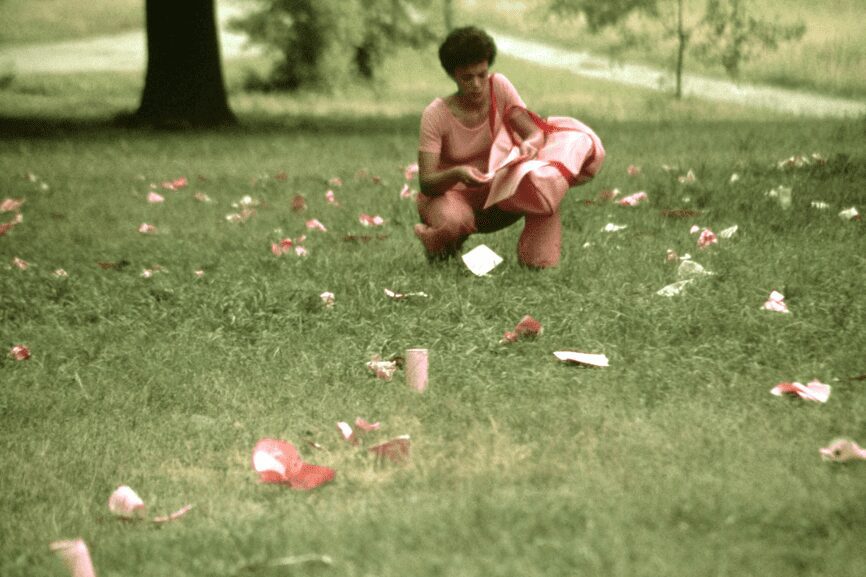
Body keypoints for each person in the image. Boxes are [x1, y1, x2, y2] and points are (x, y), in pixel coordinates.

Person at [414, 26, 604, 268]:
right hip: (452, 196)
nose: (477, 84)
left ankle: (539, 264)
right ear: (453, 75)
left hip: (496, 192)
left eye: (482, 75)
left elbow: (534, 132)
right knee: (453, 223)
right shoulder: (435, 114)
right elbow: (427, 182)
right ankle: (437, 243)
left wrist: (529, 144)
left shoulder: (499, 87)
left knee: (544, 185)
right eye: (467, 78)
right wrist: (458, 173)